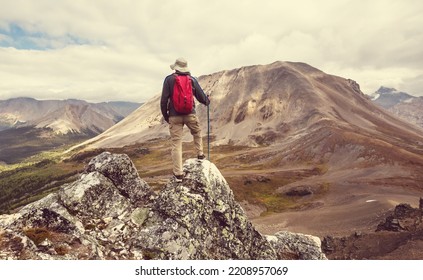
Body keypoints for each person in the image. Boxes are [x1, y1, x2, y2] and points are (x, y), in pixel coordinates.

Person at [160, 57, 210, 182]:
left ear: (176, 68)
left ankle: (178, 174)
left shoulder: (169, 80)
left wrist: (166, 116)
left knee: (176, 143)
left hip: (174, 116)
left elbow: (163, 100)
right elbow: (201, 96)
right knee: (197, 133)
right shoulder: (192, 80)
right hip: (190, 114)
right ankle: (200, 155)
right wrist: (207, 101)